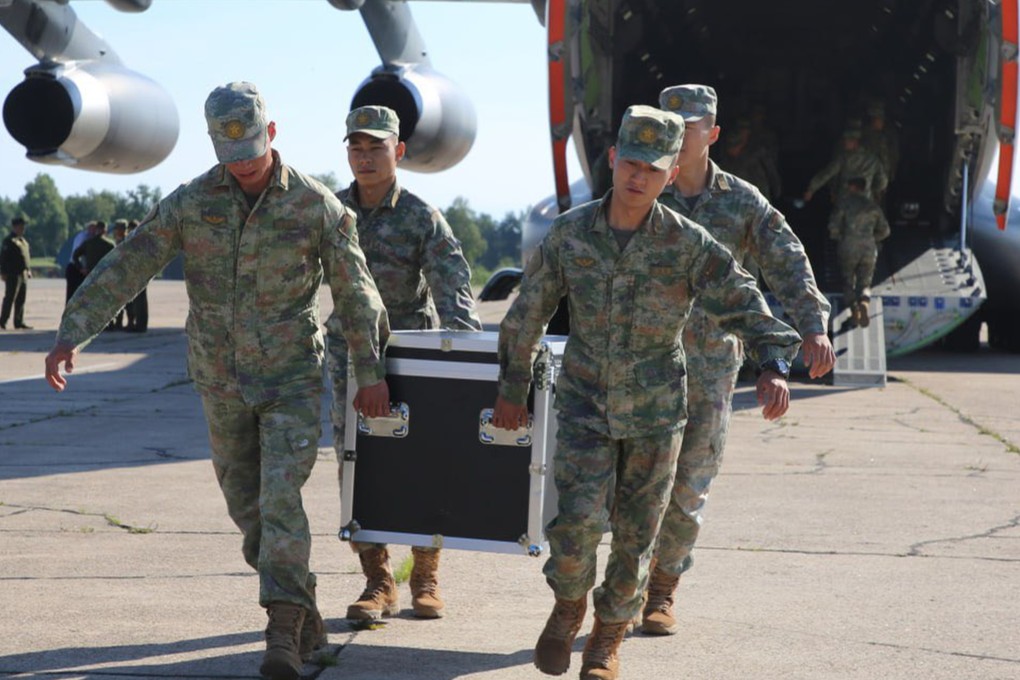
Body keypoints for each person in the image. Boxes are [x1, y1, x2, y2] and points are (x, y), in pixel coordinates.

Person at [43, 81, 391, 680]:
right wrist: (72, 332)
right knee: (247, 509)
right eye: (232, 158)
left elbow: (357, 293)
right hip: (220, 380)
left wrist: (370, 372)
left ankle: (280, 629)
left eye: (253, 154)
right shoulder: (190, 202)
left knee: (281, 497)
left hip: (290, 380)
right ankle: (302, 602)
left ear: (272, 134)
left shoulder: (316, 207)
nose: (246, 168)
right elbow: (129, 263)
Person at [491, 105, 802, 680]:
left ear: (670, 171)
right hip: (584, 404)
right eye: (631, 162)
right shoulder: (571, 234)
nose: (639, 177)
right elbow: (526, 314)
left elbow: (741, 299)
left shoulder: (688, 243)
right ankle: (567, 608)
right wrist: (512, 389)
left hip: (659, 414)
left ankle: (607, 640)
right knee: (575, 527)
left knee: (637, 537)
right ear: (613, 160)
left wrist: (773, 362)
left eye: (654, 169)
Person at [648, 83, 835, 635]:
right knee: (633, 486)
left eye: (693, 125)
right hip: (642, 363)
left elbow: (787, 259)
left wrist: (812, 326)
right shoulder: (639, 192)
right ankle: (626, 584)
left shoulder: (741, 201)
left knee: (689, 485)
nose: (682, 134)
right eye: (672, 124)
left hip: (710, 366)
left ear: (714, 133)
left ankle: (662, 590)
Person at [328, 105, 482, 622]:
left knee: (424, 465)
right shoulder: (330, 212)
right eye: (356, 148)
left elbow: (453, 287)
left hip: (410, 357)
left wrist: (465, 361)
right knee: (356, 466)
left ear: (398, 151)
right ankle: (376, 582)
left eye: (376, 148)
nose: (365, 158)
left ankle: (425, 575)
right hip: (347, 354)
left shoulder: (420, 216)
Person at [828, 177, 891, 327]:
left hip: (849, 245)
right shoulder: (873, 207)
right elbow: (885, 231)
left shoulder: (844, 204)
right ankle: (864, 302)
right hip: (869, 247)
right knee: (865, 282)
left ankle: (854, 311)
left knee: (848, 281)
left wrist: (839, 237)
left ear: (852, 187)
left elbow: (833, 227)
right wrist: (871, 238)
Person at [803, 128, 887, 204]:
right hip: (865, 202)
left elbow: (827, 174)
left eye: (846, 140)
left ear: (855, 142)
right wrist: (872, 189)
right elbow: (882, 182)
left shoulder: (843, 158)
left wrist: (811, 189)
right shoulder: (873, 159)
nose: (843, 142)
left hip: (844, 201)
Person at [0, 214, 32, 330]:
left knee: (21, 299)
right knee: (10, 298)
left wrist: (28, 270)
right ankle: (3, 321)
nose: (23, 229)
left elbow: (26, 257)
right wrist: (3, 273)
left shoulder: (23, 241)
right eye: (21, 226)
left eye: (23, 227)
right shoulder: (9, 241)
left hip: (23, 273)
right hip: (12, 274)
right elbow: (3, 258)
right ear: (15, 227)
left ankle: (19, 322)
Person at [123, 219, 149, 333]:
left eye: (132, 228)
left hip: (139, 273)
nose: (130, 230)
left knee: (140, 302)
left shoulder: (141, 240)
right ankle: (133, 324)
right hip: (131, 273)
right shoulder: (130, 239)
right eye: (129, 228)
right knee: (131, 301)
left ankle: (140, 325)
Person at [65, 221, 95, 303]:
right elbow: (77, 255)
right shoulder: (83, 237)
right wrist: (81, 268)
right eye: (93, 229)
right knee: (72, 295)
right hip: (75, 268)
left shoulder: (88, 237)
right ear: (89, 229)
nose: (94, 232)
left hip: (80, 268)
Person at [111, 220, 129, 330]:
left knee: (121, 299)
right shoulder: (117, 240)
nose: (115, 231)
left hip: (124, 273)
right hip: (117, 273)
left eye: (117, 229)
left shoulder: (126, 240)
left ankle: (121, 322)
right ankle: (117, 322)